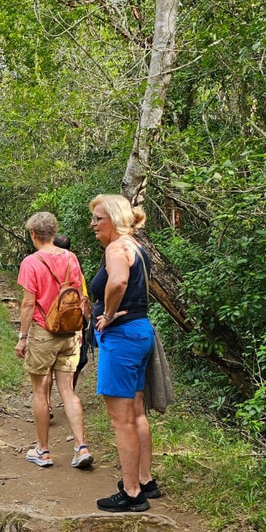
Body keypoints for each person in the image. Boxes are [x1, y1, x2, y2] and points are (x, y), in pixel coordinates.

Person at [88, 194, 161, 512]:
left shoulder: (116, 248)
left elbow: (117, 282)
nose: (92, 224)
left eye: (97, 218)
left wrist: (107, 314)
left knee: (122, 420)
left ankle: (132, 494)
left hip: (122, 338)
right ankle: (145, 480)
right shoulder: (136, 247)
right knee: (136, 411)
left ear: (114, 219)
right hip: (140, 332)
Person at [15, 212, 93, 469]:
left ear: (34, 234)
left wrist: (23, 337)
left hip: (43, 330)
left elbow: (28, 304)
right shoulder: (71, 258)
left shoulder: (31, 262)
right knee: (68, 391)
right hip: (69, 332)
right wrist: (81, 329)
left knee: (40, 391)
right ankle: (81, 447)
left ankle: (43, 451)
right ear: (54, 231)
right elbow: (81, 296)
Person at [53, 233, 90, 390]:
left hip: (50, 320)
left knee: (49, 362)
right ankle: (70, 392)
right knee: (78, 360)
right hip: (73, 320)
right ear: (71, 249)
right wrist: (86, 322)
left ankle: (47, 402)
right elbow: (83, 299)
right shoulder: (75, 268)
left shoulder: (44, 267)